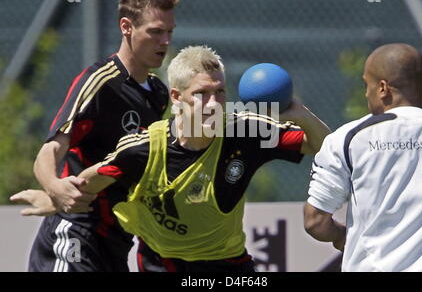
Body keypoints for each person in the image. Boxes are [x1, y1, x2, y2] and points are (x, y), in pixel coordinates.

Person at [13, 45, 331, 272]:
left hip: (228, 263)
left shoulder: (246, 131)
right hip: (161, 262)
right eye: (201, 94)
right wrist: (55, 197)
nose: (213, 103)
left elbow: (322, 146)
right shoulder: (142, 148)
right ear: (177, 98)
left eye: (219, 92)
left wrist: (299, 114)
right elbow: (92, 182)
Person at [12, 0, 179, 272]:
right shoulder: (100, 82)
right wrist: (54, 189)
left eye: (169, 32)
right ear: (126, 27)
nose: (164, 42)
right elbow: (50, 149)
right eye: (155, 32)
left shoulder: (158, 93)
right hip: (76, 237)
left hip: (116, 244)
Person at [303, 43, 422, 272]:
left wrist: (341, 235)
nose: (365, 93)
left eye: (366, 84)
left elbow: (315, 221)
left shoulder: (348, 138)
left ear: (383, 88)